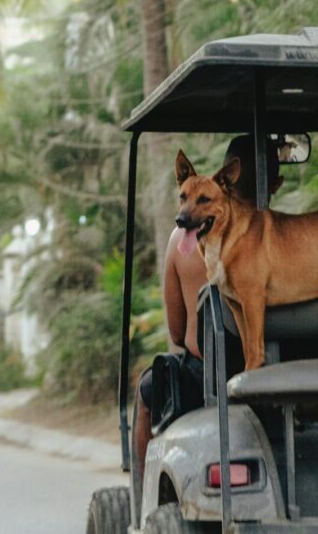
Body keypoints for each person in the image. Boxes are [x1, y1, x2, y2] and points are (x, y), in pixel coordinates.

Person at [133, 135, 283, 479]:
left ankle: (140, 505)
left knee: (146, 391)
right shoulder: (292, 236)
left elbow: (175, 331)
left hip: (208, 377)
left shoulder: (180, 239)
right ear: (276, 183)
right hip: (285, 366)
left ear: (225, 178)